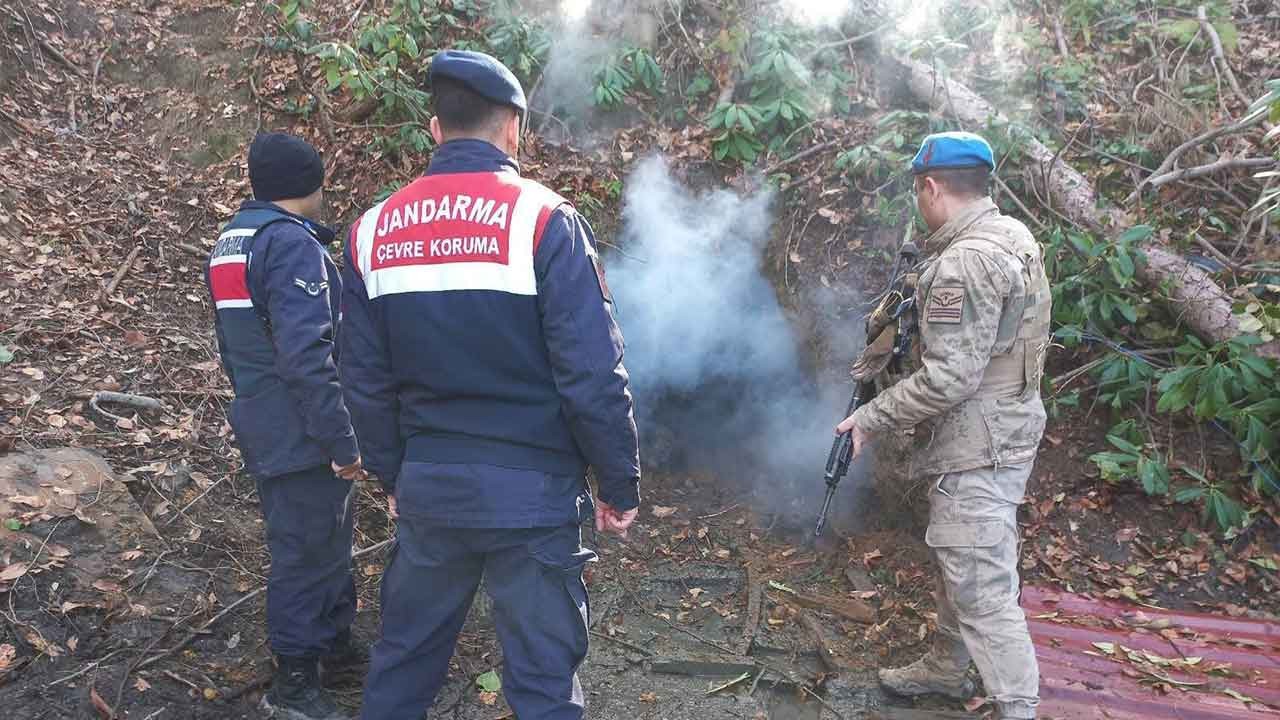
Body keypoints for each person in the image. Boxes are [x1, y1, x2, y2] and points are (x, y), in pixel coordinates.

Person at [340, 49, 641, 720]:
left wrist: (395, 478)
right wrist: (618, 486)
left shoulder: (370, 232)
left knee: (403, 666)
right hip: (532, 503)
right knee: (541, 686)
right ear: (514, 128)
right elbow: (592, 374)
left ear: (435, 129)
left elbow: (362, 381)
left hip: (430, 493)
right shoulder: (543, 221)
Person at [836, 131, 1051, 720]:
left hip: (978, 438)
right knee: (963, 553)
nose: (916, 202)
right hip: (1003, 428)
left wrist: (870, 418)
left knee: (982, 585)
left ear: (930, 187)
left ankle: (1018, 708)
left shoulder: (965, 262)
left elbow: (951, 377)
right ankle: (947, 668)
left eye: (916, 190)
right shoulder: (1011, 235)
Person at [205, 132, 366, 720]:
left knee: (324, 536)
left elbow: (235, 346)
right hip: (302, 426)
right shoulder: (291, 245)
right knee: (307, 551)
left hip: (264, 416)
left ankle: (336, 647)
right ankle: (294, 686)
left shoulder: (232, 241)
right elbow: (306, 354)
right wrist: (341, 438)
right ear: (312, 183)